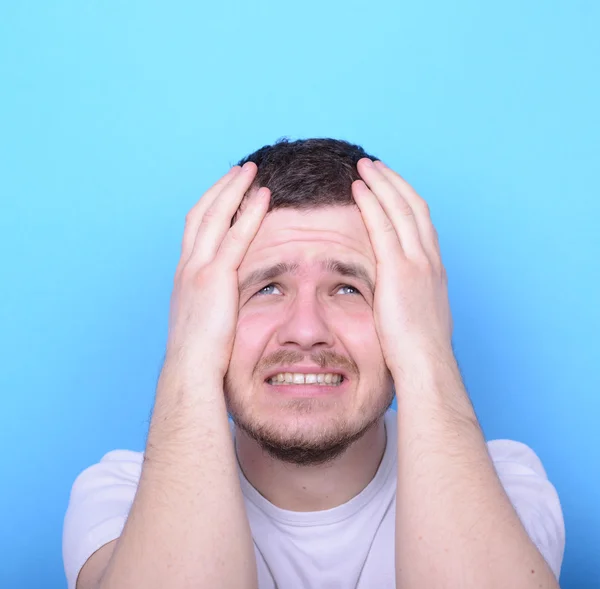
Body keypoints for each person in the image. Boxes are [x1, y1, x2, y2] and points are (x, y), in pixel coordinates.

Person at [63, 138, 565, 589]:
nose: (305, 330)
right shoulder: (125, 499)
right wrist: (189, 357)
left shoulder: (502, 484)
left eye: (349, 288)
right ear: (205, 314)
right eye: (266, 288)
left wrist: (427, 351)